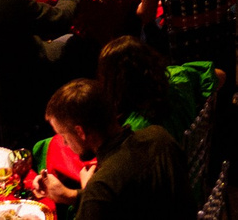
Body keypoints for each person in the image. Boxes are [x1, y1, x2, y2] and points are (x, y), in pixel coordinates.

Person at [42, 78, 187, 220]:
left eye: (64, 136)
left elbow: (108, 194)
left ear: (80, 132)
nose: (65, 143)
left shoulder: (101, 187)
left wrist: (89, 191)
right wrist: (73, 195)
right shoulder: (159, 136)